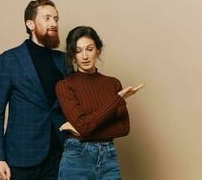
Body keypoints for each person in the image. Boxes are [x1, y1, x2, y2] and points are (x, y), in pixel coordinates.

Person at [0, 0, 73, 180]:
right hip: (21, 156)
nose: (54, 23)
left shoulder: (64, 60)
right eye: (47, 18)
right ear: (30, 24)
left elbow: (75, 103)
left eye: (56, 19)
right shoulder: (9, 60)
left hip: (59, 155)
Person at [55, 26, 144, 179]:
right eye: (78, 51)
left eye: (89, 49)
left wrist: (82, 133)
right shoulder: (65, 86)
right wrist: (117, 100)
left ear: (98, 50)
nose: (84, 56)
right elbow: (83, 126)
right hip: (77, 157)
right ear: (72, 56)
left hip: (108, 155)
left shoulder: (113, 84)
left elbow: (124, 128)